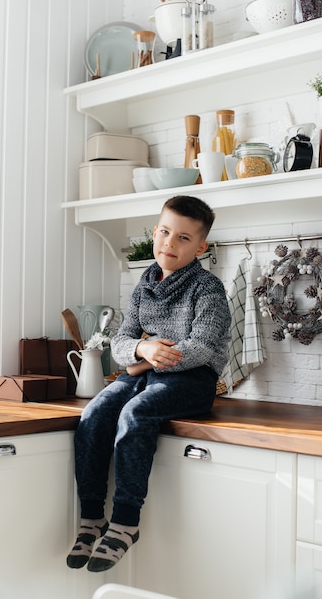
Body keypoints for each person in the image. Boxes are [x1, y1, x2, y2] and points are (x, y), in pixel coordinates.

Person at [66, 195, 231, 573]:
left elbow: (202, 347)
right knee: (94, 414)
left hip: (192, 381)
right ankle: (92, 518)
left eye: (183, 238)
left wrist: (151, 358)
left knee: (136, 413)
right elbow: (121, 342)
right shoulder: (144, 284)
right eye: (165, 232)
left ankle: (125, 522)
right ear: (155, 232)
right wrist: (144, 347)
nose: (170, 244)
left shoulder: (208, 289)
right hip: (146, 372)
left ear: (200, 247)